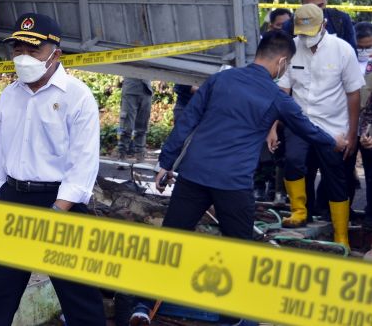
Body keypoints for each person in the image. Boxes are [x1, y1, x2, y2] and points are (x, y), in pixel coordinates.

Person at [127, 30, 346, 326]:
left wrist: (166, 163)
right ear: (282, 62)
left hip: (194, 174)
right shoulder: (275, 96)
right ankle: (230, 319)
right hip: (233, 184)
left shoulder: (220, 80)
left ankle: (142, 306)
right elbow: (307, 129)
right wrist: (335, 141)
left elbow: (188, 119)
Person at [0, 12, 106, 326]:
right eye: (18, 49)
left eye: (33, 50)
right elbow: (0, 152)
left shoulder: (77, 97)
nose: (23, 57)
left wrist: (58, 210)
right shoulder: (10, 94)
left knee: (80, 300)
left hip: (60, 205)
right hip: (14, 200)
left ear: (55, 54)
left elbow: (84, 162)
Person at [269, 4, 363, 249]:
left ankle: (340, 233)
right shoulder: (292, 49)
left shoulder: (343, 51)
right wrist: (273, 127)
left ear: (323, 26)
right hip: (300, 122)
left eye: (311, 33)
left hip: (333, 127)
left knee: (335, 176)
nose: (306, 38)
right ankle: (299, 211)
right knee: (293, 161)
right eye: (303, 33)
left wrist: (352, 133)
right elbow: (284, 91)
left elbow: (354, 94)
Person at [282, 0, 357, 51]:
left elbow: (351, 53)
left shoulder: (341, 20)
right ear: (302, 2)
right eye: (311, 6)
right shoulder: (291, 25)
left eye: (319, 5)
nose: (316, 10)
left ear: (326, 0)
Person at [356, 22, 372, 230]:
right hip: (355, 127)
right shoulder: (348, 61)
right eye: (361, 47)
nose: (365, 51)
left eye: (369, 47)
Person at [118, 78, 153, 162]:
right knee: (126, 126)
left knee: (142, 125)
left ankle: (140, 157)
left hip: (146, 88)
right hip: (131, 85)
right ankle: (121, 156)